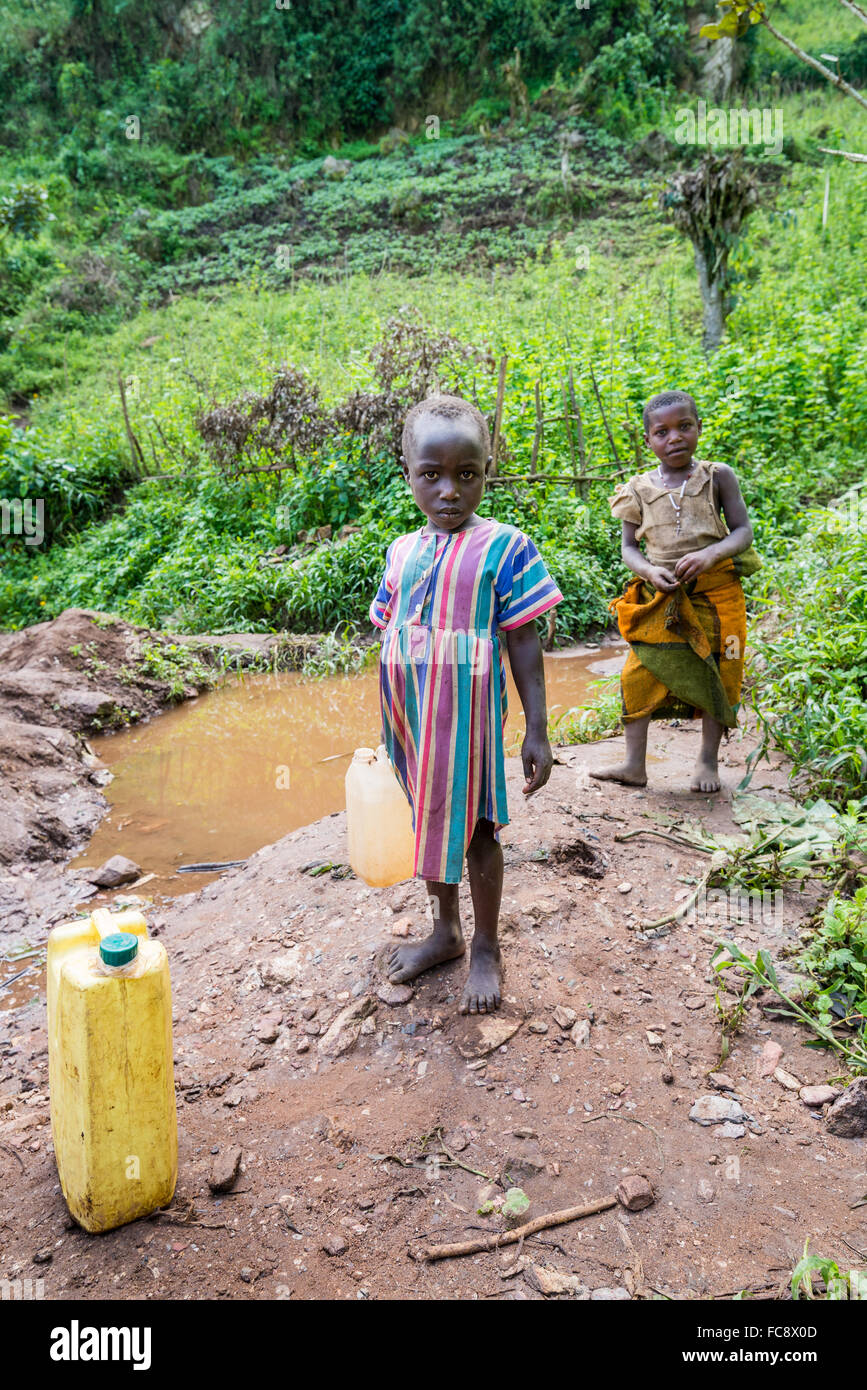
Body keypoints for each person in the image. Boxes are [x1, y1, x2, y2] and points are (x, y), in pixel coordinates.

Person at [369, 394, 564, 1014]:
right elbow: (390, 630)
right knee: (430, 818)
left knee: (478, 826)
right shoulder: (401, 551)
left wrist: (538, 729)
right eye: (432, 474)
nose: (449, 490)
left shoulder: (506, 547)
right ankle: (444, 932)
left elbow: (525, 644)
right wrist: (393, 727)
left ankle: (485, 946)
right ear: (408, 476)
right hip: (412, 718)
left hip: (470, 724)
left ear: (486, 473)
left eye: (466, 474)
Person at [590, 390, 758, 795]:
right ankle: (633, 764)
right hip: (661, 597)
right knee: (637, 672)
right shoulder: (637, 489)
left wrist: (711, 553)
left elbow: (743, 532)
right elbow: (629, 549)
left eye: (684, 427)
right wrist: (650, 570)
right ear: (648, 440)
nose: (675, 438)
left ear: (699, 428)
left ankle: (707, 761)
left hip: (717, 596)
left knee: (720, 669)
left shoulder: (718, 476)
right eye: (662, 432)